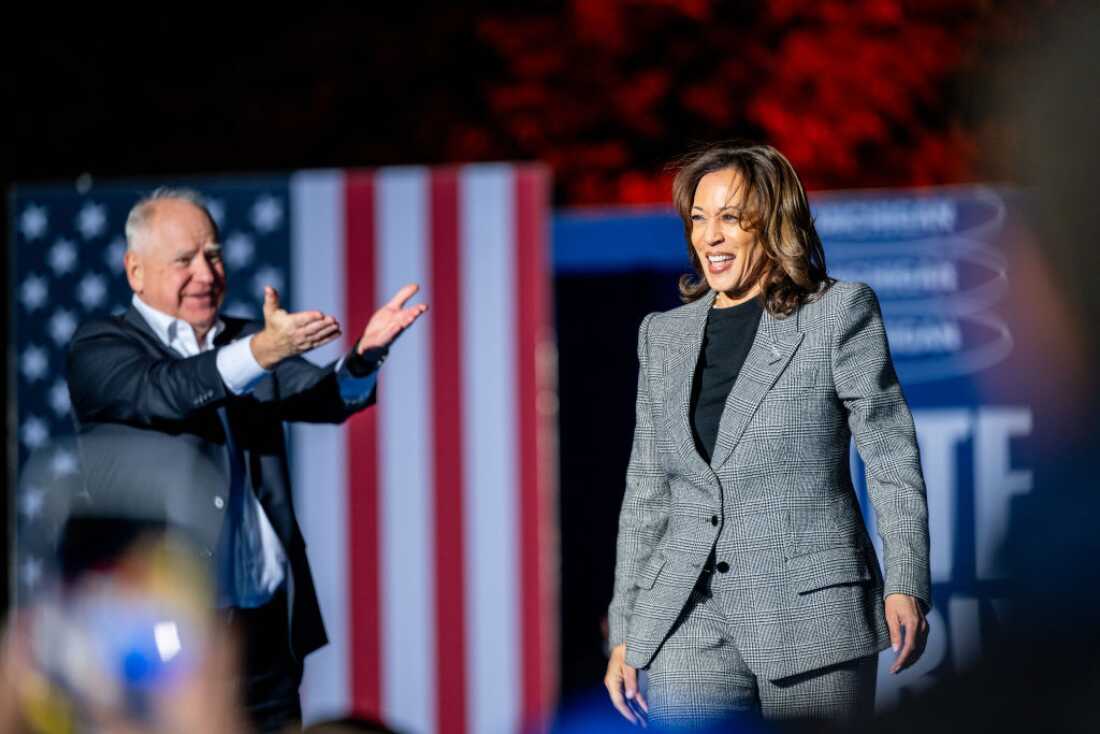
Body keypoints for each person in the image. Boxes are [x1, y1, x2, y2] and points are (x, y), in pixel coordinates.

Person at [65, 188, 427, 733]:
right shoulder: (101, 347)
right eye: (184, 260)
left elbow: (328, 398)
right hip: (168, 642)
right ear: (135, 271)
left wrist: (365, 357)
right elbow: (170, 391)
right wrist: (260, 353)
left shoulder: (246, 340)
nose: (206, 274)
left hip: (264, 637)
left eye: (213, 254)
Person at [603, 143, 930, 728]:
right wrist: (626, 631)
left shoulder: (838, 312)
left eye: (731, 218)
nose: (711, 237)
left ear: (772, 223)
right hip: (686, 625)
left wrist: (905, 579)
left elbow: (889, 453)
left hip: (809, 620)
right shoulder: (662, 336)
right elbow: (647, 489)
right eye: (700, 219)